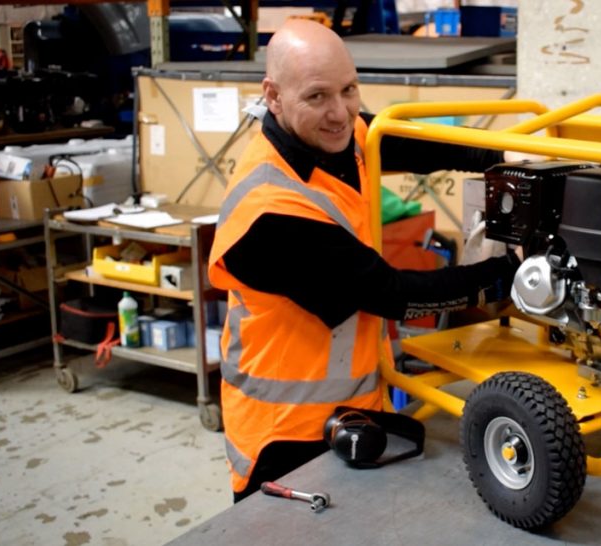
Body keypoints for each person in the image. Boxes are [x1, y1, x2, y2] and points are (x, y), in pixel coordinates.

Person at [207, 19, 521, 502]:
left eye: (349, 90)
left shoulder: (338, 132)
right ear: (273, 96)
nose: (341, 113)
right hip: (284, 437)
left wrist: (505, 157)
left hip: (352, 409)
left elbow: (399, 140)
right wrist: (507, 277)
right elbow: (389, 294)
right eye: (317, 97)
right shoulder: (269, 212)